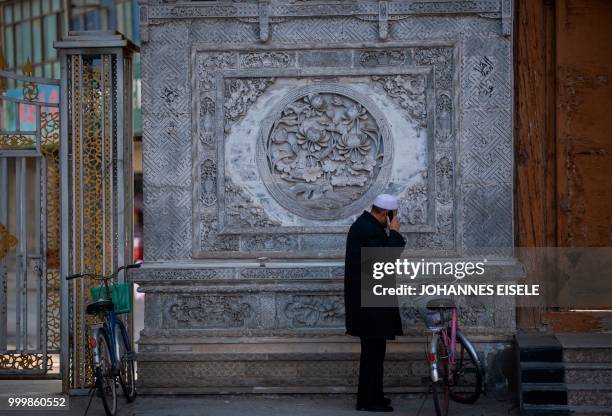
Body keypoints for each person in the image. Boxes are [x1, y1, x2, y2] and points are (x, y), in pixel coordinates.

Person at [344, 194, 406, 412]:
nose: (394, 219)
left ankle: (374, 396)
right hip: (369, 306)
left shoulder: (367, 226)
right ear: (385, 213)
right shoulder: (368, 230)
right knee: (372, 354)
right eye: (393, 216)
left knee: (375, 353)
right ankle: (368, 401)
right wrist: (395, 233)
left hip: (371, 303)